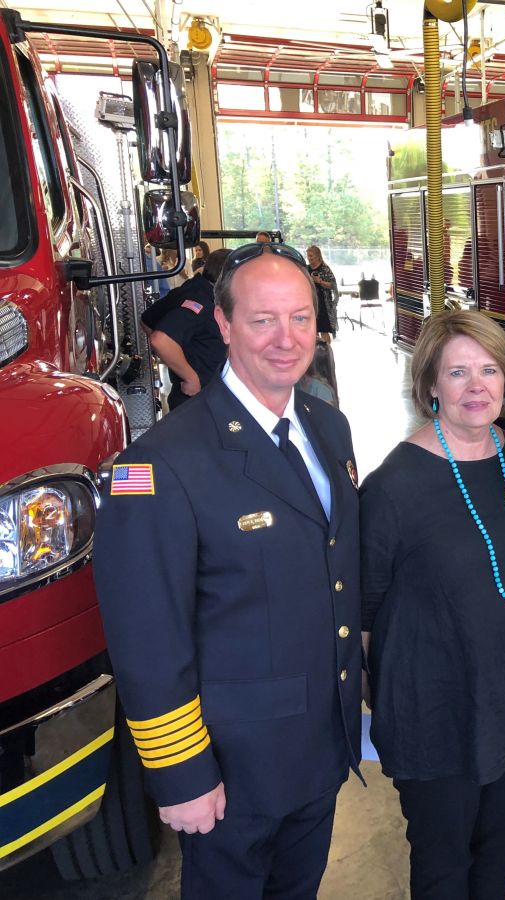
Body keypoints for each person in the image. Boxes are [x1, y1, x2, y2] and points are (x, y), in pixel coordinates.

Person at [93, 241, 363, 899]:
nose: (285, 338)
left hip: (320, 747)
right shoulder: (160, 464)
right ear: (223, 325)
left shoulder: (329, 428)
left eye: (300, 318)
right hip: (232, 770)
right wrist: (182, 771)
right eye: (262, 319)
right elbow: (145, 635)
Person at [360, 310, 505, 899]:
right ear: (429, 386)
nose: (477, 387)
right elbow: (364, 610)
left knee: (499, 837)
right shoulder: (393, 485)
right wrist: (375, 700)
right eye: (458, 372)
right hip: (433, 708)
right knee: (444, 859)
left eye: (490, 370)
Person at [148, 248, 230, 410]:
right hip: (199, 399)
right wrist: (190, 377)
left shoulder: (190, 288)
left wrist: (179, 355)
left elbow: (148, 320)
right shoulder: (202, 303)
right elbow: (160, 340)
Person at [307, 245, 338, 339]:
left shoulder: (325, 269)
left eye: (311, 256)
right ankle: (316, 352)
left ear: (317, 256)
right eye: (308, 256)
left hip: (323, 304)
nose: (309, 258)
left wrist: (319, 281)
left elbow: (333, 285)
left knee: (324, 331)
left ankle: (326, 351)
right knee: (313, 330)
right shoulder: (306, 268)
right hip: (310, 303)